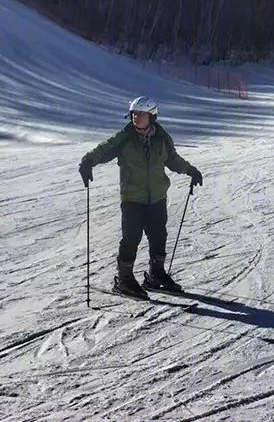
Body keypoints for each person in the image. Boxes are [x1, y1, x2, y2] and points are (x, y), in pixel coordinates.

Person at [78, 96, 203, 299]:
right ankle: (124, 279)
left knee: (159, 236)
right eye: (133, 114)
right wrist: (88, 161)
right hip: (132, 197)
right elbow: (105, 148)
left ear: (152, 116)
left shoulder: (162, 137)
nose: (136, 118)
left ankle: (156, 274)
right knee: (131, 238)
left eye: (141, 114)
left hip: (157, 197)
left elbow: (172, 159)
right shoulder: (124, 137)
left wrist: (190, 170)